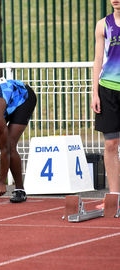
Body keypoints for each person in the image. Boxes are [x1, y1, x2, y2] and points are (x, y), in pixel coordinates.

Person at [91, 0, 120, 208]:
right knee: (111, 144)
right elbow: (98, 59)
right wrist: (95, 93)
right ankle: (115, 197)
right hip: (107, 89)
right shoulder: (103, 24)